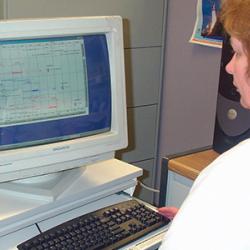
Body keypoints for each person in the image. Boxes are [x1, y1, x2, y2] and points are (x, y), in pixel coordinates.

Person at [159, 0, 250, 249]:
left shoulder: (235, 171)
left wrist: (193, 227)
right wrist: (197, 223)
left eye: (239, 53)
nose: (230, 67)